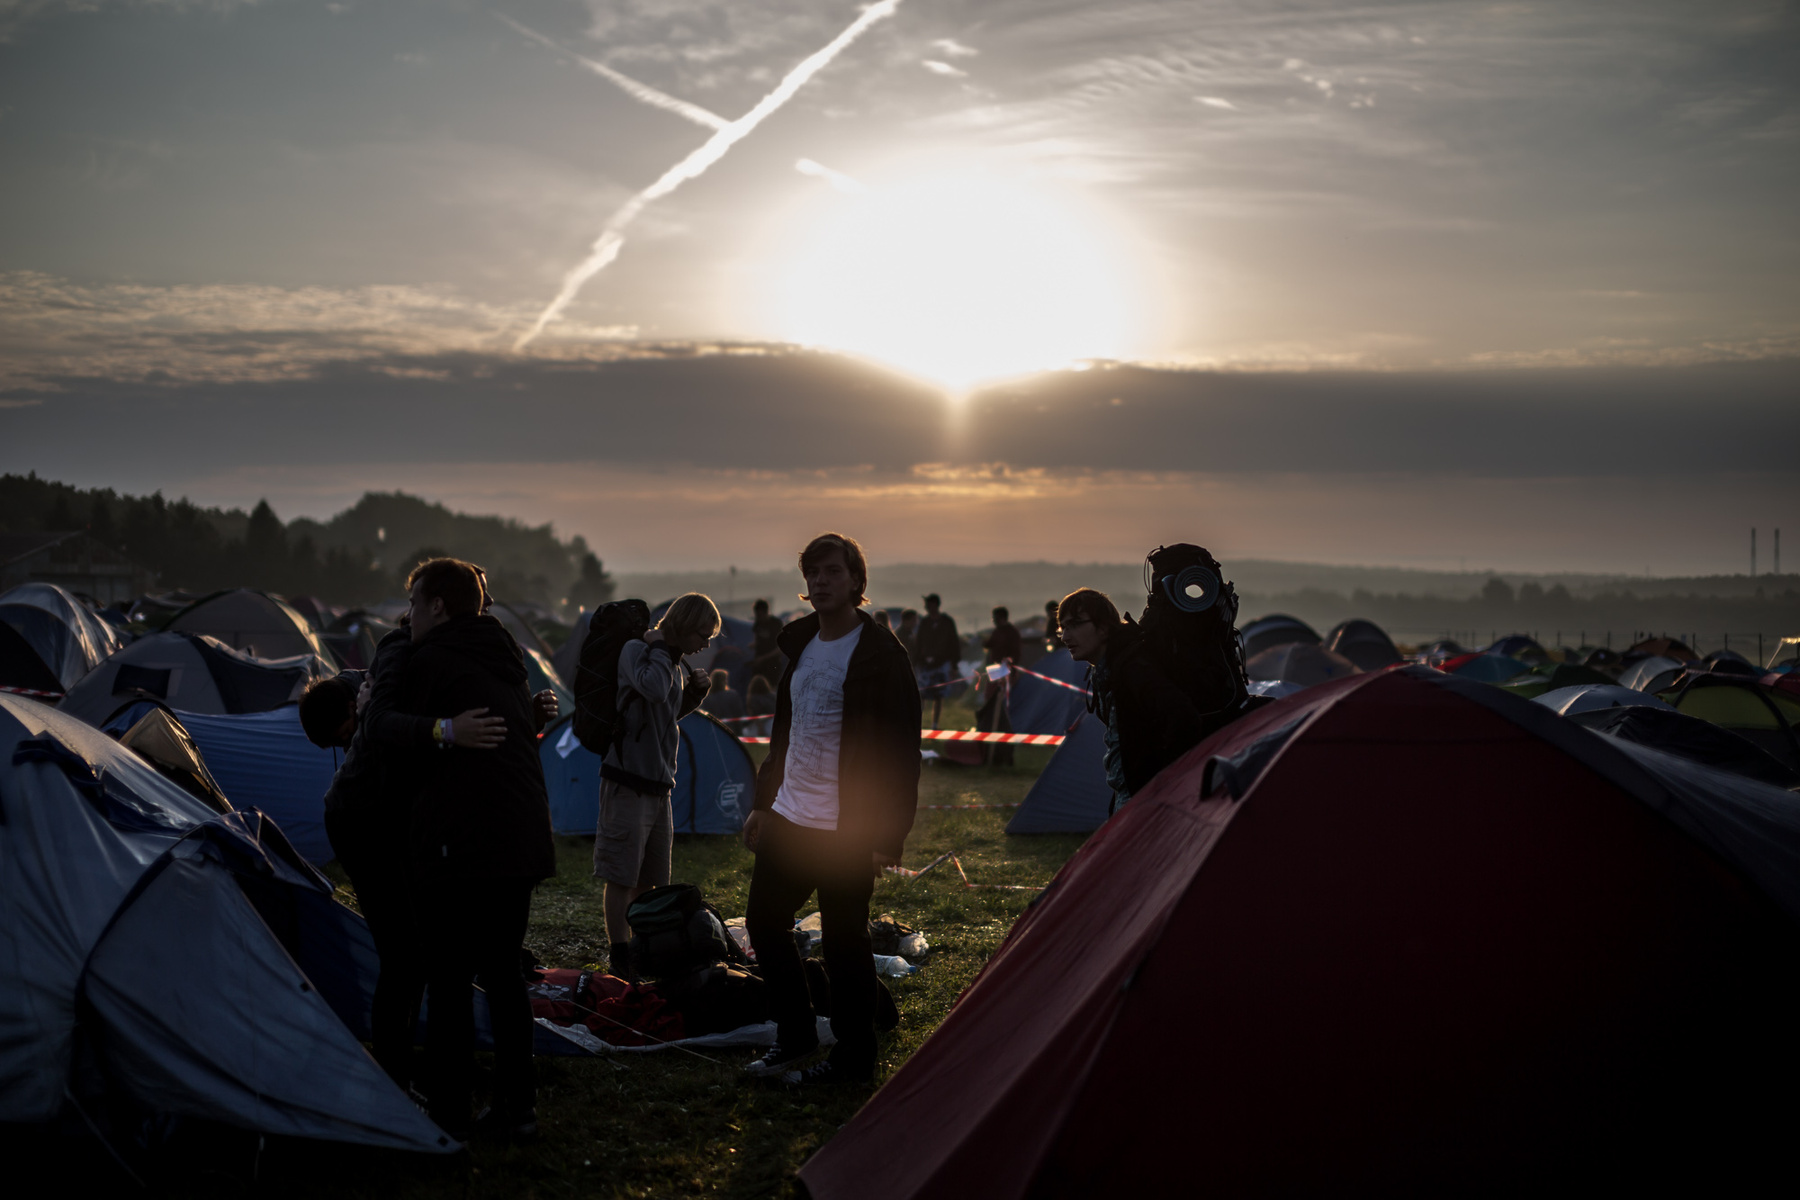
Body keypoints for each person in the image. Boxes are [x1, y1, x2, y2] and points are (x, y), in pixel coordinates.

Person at [300, 632, 532, 1091]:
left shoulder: (383, 684)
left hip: (390, 826)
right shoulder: (368, 700)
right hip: (362, 830)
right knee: (402, 957)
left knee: (428, 953)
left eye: (347, 736)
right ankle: (394, 1072)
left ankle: (425, 1064)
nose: (349, 745)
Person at [742, 533, 920, 1087]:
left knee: (846, 945)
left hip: (847, 828)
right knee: (764, 923)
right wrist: (765, 804)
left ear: (856, 581)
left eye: (832, 572)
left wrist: (884, 839)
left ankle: (853, 1061)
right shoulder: (800, 645)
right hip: (791, 816)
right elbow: (784, 734)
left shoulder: (881, 655)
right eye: (813, 572)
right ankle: (794, 1034)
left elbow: (900, 753)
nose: (821, 581)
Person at [395, 557, 558, 1141]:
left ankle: (447, 1110)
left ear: (438, 605)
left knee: (449, 978)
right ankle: (519, 1108)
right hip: (519, 838)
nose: (407, 615)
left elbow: (401, 743)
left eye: (414, 603)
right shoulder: (506, 657)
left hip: (460, 842)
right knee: (503, 974)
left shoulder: (432, 660)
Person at [596, 593, 717, 981]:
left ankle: (645, 949)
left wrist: (694, 694)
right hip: (627, 781)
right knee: (622, 875)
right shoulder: (638, 651)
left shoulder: (672, 663)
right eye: (704, 633)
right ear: (684, 624)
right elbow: (651, 688)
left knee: (653, 881)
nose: (707, 644)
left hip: (660, 785)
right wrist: (663, 648)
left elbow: (663, 711)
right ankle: (619, 954)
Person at [1057, 587, 1204, 815]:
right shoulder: (1107, 672)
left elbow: (1182, 716)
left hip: (1147, 800)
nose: (1066, 636)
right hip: (1128, 795)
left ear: (1104, 628)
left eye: (1075, 624)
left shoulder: (1133, 669)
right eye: (1063, 627)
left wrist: (1159, 781)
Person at [976, 606, 1022, 766]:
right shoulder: (998, 631)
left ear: (1000, 617)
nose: (993, 620)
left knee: (1001, 701)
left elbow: (1015, 653)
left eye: (994, 617)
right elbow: (990, 644)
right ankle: (988, 723)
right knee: (990, 699)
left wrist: (1010, 664)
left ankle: (1000, 726)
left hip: (1005, 672)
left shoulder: (1011, 632)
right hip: (995, 671)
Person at [916, 593, 961, 730]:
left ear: (935, 605)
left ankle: (935, 724)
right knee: (922, 693)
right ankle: (919, 722)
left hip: (942, 663)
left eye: (928, 604)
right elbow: (919, 642)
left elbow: (954, 643)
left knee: (938, 695)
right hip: (926, 663)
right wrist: (919, 660)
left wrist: (954, 665)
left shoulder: (947, 623)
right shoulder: (924, 622)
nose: (926, 607)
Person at [749, 597, 785, 685]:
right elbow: (758, 639)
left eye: (760, 615)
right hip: (759, 665)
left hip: (772, 665)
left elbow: (780, 648)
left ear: (766, 612)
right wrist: (753, 645)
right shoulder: (758, 624)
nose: (758, 617)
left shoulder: (776, 624)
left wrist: (763, 658)